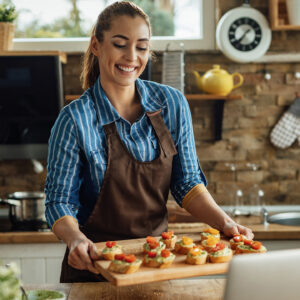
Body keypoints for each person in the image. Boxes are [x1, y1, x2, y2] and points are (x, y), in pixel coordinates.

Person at [45, 1, 253, 283]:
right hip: (94, 268)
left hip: (156, 265)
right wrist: (75, 239)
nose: (131, 56)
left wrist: (225, 222)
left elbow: (187, 182)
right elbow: (59, 202)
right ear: (96, 45)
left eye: (141, 47)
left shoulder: (171, 104)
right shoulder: (74, 120)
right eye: (120, 44)